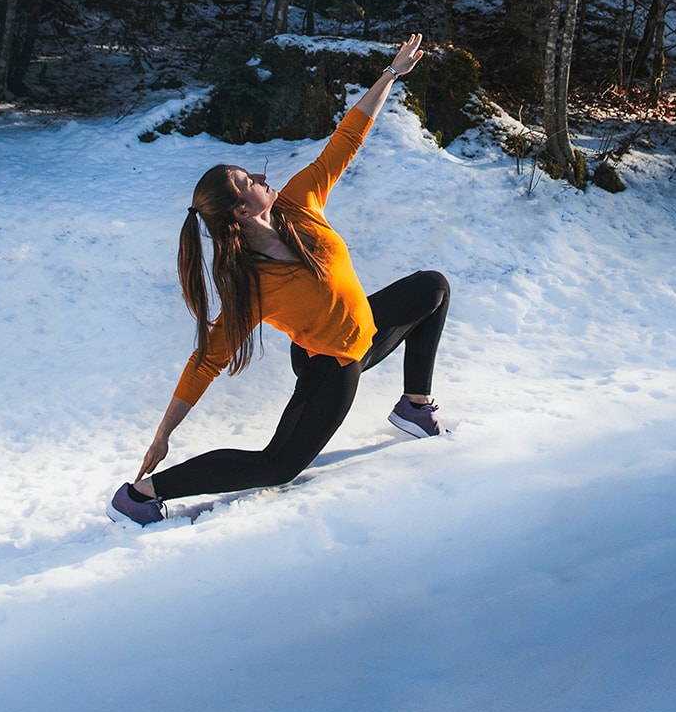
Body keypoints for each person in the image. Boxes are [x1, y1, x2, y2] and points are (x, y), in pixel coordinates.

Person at [109, 34, 450, 526]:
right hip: (329, 366)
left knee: (432, 288)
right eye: (248, 182)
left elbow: (346, 141)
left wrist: (391, 74)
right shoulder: (250, 282)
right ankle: (141, 495)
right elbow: (206, 361)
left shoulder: (298, 203)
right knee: (278, 466)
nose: (260, 177)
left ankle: (415, 405)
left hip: (364, 333)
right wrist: (164, 434)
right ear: (241, 212)